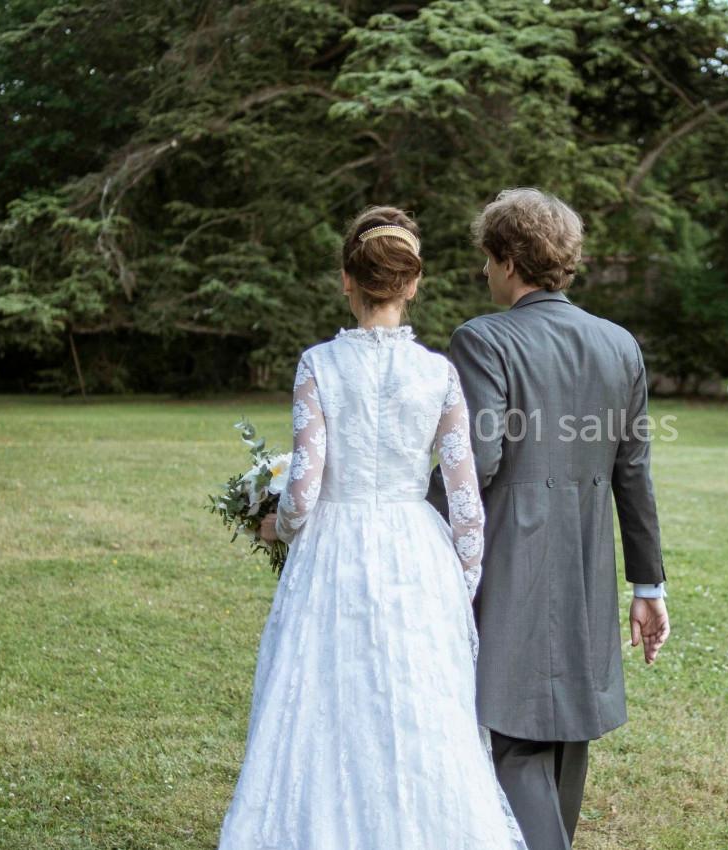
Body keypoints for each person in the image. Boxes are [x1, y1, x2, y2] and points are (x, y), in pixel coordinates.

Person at [218, 206, 527, 850]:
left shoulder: (318, 365)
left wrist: (279, 526)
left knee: (324, 697)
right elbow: (466, 503)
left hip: (335, 544)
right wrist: (458, 580)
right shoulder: (439, 374)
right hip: (417, 549)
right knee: (418, 702)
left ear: (346, 281)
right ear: (412, 285)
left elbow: (303, 485)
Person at [427, 187, 671, 850]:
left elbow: (472, 462)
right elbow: (634, 472)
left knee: (517, 743)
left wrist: (415, 531)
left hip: (513, 562)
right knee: (563, 743)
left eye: (487, 258)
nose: (484, 272)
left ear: (509, 260)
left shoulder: (481, 340)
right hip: (589, 569)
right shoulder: (619, 344)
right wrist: (648, 586)